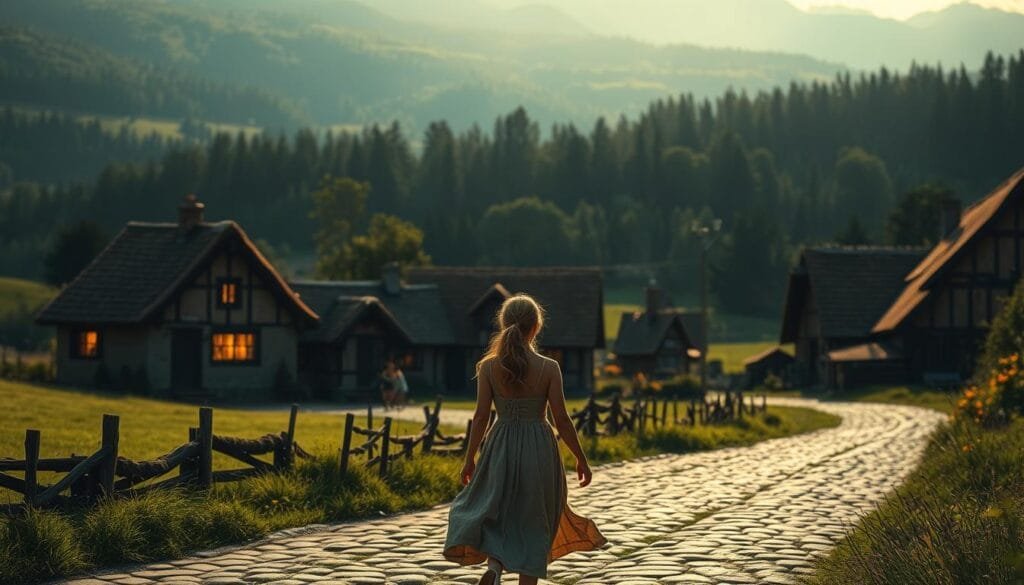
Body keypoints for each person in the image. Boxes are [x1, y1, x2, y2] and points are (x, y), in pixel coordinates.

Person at [444, 294, 606, 585]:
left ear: (504, 324)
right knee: (534, 519)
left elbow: (481, 416)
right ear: (536, 327)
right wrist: (581, 458)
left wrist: (469, 458)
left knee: (499, 510)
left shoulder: (488, 367)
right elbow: (561, 418)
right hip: (539, 446)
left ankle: (494, 569)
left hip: (500, 444)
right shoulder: (549, 367)